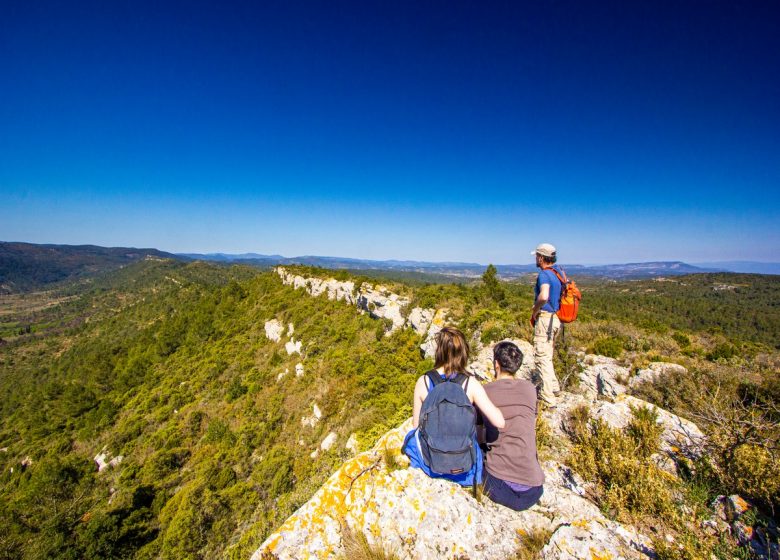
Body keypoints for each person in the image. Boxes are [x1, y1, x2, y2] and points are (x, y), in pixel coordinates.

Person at [404, 327, 505, 486]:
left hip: (431, 463)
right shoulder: (470, 384)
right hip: (463, 467)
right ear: (463, 352)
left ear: (440, 351)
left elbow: (416, 427)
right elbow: (499, 422)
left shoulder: (423, 382)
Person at [481, 341, 545, 511]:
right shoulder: (530, 389)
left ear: (496, 364)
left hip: (499, 485)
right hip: (534, 489)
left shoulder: (485, 392)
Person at [530, 242, 563, 407]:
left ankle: (548, 398)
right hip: (556, 319)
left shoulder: (544, 274)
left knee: (541, 356)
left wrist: (535, 310)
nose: (535, 259)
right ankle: (555, 387)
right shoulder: (557, 273)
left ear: (542, 257)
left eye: (536, 256)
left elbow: (544, 296)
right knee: (548, 354)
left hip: (545, 318)